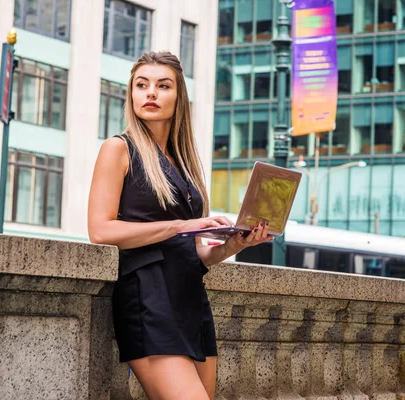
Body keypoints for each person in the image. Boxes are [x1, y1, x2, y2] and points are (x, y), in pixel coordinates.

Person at [88, 51, 272, 400]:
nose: (150, 93)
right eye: (141, 85)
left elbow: (191, 254)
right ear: (131, 94)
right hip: (147, 297)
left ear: (179, 97)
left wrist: (233, 245)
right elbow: (100, 230)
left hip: (190, 299)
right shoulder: (118, 149)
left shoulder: (183, 161)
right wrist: (181, 225)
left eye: (162, 85)